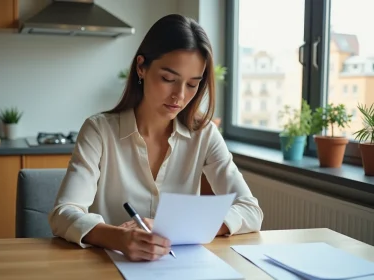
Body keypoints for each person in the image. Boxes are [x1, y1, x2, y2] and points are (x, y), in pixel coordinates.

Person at [48, 13, 264, 262]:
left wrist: (180, 230)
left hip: (180, 269)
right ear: (141, 67)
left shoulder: (204, 135)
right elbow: (63, 213)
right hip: (108, 267)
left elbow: (250, 210)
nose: (179, 96)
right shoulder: (99, 131)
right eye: (168, 79)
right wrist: (118, 237)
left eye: (192, 84)